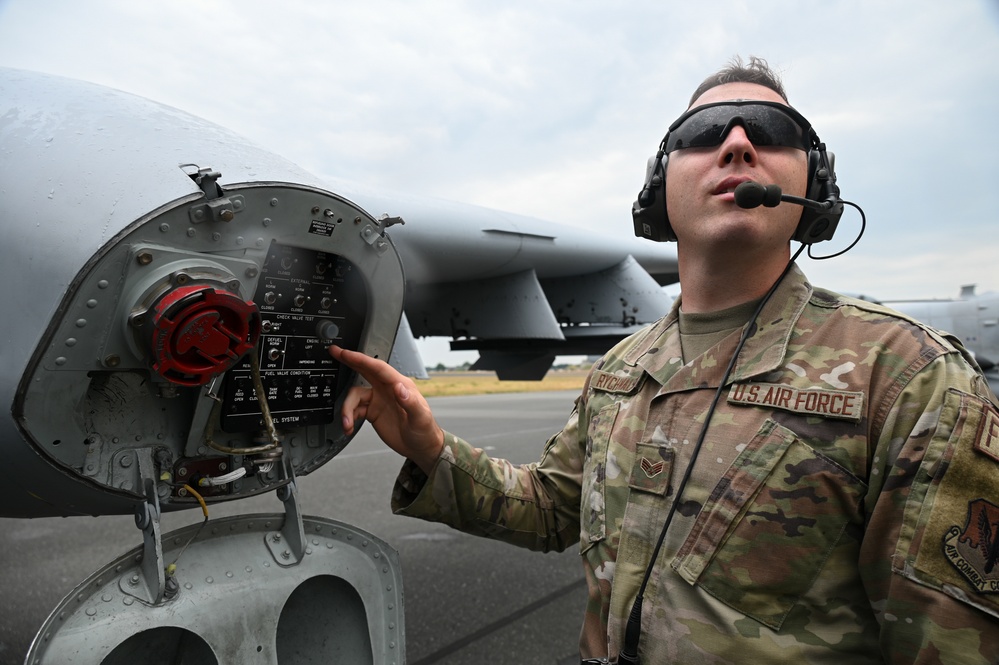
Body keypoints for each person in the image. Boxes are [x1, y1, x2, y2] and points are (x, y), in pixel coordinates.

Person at [329, 56, 999, 664]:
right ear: (659, 187)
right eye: (702, 134)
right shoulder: (623, 367)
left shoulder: (909, 376)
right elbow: (553, 508)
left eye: (768, 129)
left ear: (814, 185)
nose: (736, 143)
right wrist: (431, 448)